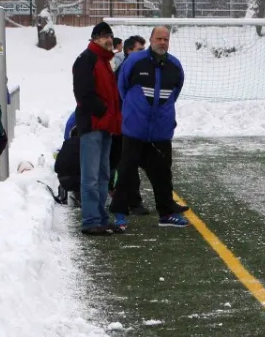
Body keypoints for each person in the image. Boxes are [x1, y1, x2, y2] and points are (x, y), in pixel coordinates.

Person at [110, 26, 189, 232]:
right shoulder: (135, 62)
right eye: (159, 38)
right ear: (151, 39)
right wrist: (134, 111)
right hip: (134, 129)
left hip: (161, 131)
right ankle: (119, 213)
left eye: (166, 39)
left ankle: (166, 213)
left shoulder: (175, 66)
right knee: (126, 172)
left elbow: (176, 91)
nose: (162, 42)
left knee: (163, 173)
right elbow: (122, 88)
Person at [73, 22, 122, 236]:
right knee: (91, 177)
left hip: (105, 126)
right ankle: (91, 220)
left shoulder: (105, 61)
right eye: (103, 36)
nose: (108, 39)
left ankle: (100, 218)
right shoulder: (87, 60)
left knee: (103, 176)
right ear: (94, 39)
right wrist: (103, 110)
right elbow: (83, 93)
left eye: (110, 36)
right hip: (93, 125)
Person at [109, 35, 148, 216]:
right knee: (126, 162)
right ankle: (131, 201)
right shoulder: (126, 69)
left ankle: (125, 199)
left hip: (128, 123)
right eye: (139, 50)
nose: (143, 54)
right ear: (129, 50)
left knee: (123, 162)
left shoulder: (136, 68)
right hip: (123, 124)